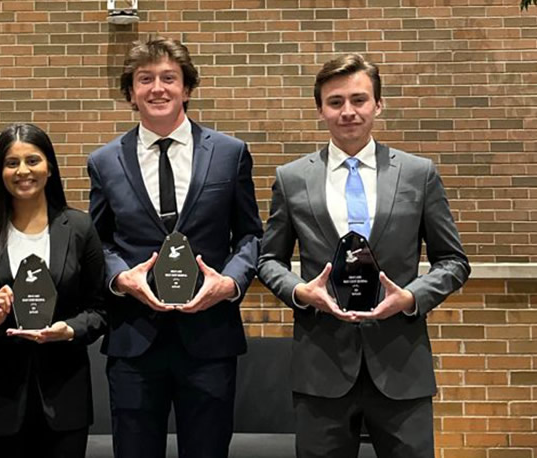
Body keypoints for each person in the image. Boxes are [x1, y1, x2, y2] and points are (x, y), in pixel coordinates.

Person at [257, 54, 470, 458]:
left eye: (359, 100)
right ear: (320, 109)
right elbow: (268, 260)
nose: (348, 111)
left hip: (401, 366)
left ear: (378, 104)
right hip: (321, 368)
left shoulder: (417, 174)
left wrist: (411, 297)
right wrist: (302, 292)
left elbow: (454, 262)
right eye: (335, 102)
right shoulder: (292, 178)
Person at [86, 37, 263, 458]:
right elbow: (98, 241)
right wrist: (120, 278)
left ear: (187, 88)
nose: (157, 88)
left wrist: (230, 283)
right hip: (134, 339)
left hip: (209, 338)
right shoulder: (104, 161)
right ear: (131, 93)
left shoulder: (230, 153)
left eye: (169, 78)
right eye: (144, 79)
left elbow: (251, 236)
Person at [0, 123, 106, 457]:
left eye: (33, 160)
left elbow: (100, 310)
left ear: (49, 168)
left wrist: (70, 329)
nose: (23, 171)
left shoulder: (79, 228)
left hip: (64, 396)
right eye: (11, 163)